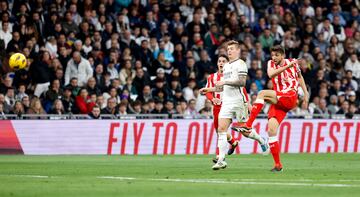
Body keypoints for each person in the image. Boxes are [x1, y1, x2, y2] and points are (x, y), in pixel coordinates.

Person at [233, 45, 309, 172]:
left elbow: (300, 77)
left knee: (262, 93)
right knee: (271, 131)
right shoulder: (272, 64)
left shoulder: (292, 63)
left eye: (277, 55)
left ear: (283, 55)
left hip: (290, 96)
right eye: (272, 55)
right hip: (280, 100)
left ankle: (248, 124)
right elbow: (271, 74)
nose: (273, 58)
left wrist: (306, 94)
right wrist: (288, 66)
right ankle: (278, 165)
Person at [202, 40, 267, 170]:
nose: (229, 51)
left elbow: (242, 83)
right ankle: (221, 159)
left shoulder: (241, 64)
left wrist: (224, 81)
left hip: (239, 102)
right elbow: (222, 88)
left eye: (232, 49)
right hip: (226, 102)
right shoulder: (226, 67)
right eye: (228, 49)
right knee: (221, 130)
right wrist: (209, 90)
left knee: (246, 133)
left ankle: (261, 140)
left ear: (238, 51)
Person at [200, 54, 239, 163]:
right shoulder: (212, 77)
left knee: (221, 131)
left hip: (228, 107)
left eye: (223, 61)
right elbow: (208, 92)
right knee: (219, 131)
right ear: (217, 64)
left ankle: (219, 155)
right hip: (216, 107)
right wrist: (212, 99)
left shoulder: (231, 77)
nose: (221, 63)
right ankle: (233, 142)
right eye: (219, 61)